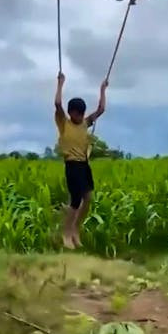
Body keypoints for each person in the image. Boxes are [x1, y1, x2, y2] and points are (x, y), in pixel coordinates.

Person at [54, 71, 108, 249]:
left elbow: (100, 110)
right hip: (72, 165)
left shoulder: (85, 123)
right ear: (71, 113)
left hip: (84, 164)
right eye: (77, 114)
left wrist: (102, 89)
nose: (80, 117)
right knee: (75, 201)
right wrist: (61, 83)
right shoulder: (64, 123)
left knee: (88, 198)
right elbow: (57, 103)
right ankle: (66, 234)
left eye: (82, 114)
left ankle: (75, 229)